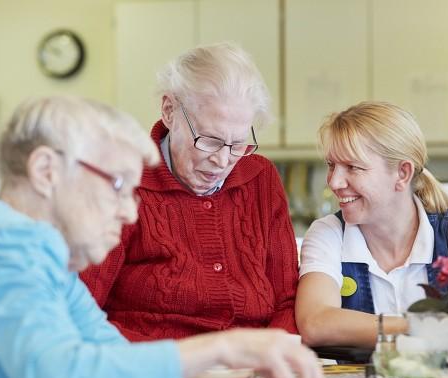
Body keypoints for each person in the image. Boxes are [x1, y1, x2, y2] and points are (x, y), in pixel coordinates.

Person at [0, 96, 324, 378]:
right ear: (46, 172)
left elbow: (108, 358)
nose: (128, 212)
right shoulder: (12, 239)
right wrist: (225, 347)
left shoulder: (45, 261)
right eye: (120, 185)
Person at [81, 42, 299, 341]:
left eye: (237, 145)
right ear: (169, 110)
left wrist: (268, 355)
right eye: (209, 140)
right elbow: (80, 310)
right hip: (156, 368)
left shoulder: (259, 177)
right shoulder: (121, 181)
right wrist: (182, 360)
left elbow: (287, 302)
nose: (222, 161)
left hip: (252, 373)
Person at [295, 101, 448, 360]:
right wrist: (427, 328)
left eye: (353, 167)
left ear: (402, 173)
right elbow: (315, 323)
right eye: (331, 165)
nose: (334, 182)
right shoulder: (329, 233)